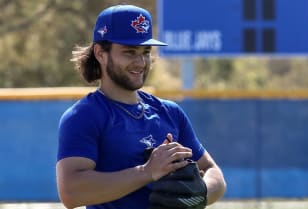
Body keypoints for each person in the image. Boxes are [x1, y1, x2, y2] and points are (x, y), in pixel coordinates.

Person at [56, 4, 226, 209]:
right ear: (100, 53)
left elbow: (213, 172)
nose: (141, 62)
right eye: (129, 52)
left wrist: (199, 194)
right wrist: (147, 172)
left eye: (146, 52)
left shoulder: (169, 112)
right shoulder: (84, 116)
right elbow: (71, 192)